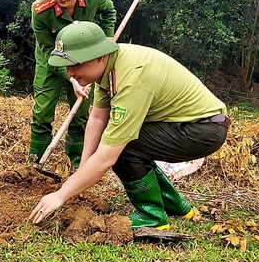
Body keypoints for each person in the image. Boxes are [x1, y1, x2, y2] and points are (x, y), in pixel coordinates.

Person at [30, 22, 229, 230]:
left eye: (75, 64)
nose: (70, 73)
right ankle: (175, 206)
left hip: (202, 130)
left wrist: (61, 195)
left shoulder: (132, 78)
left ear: (99, 56)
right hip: (185, 125)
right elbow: (98, 118)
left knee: (122, 143)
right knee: (117, 138)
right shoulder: (109, 69)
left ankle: (152, 215)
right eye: (66, 66)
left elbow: (107, 155)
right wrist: (83, 168)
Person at [29, 0, 116, 168]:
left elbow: (109, 12)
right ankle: (35, 162)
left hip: (85, 62)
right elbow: (48, 49)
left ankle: (77, 161)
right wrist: (70, 77)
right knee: (42, 110)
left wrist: (107, 40)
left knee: (81, 111)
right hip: (51, 62)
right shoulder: (40, 11)